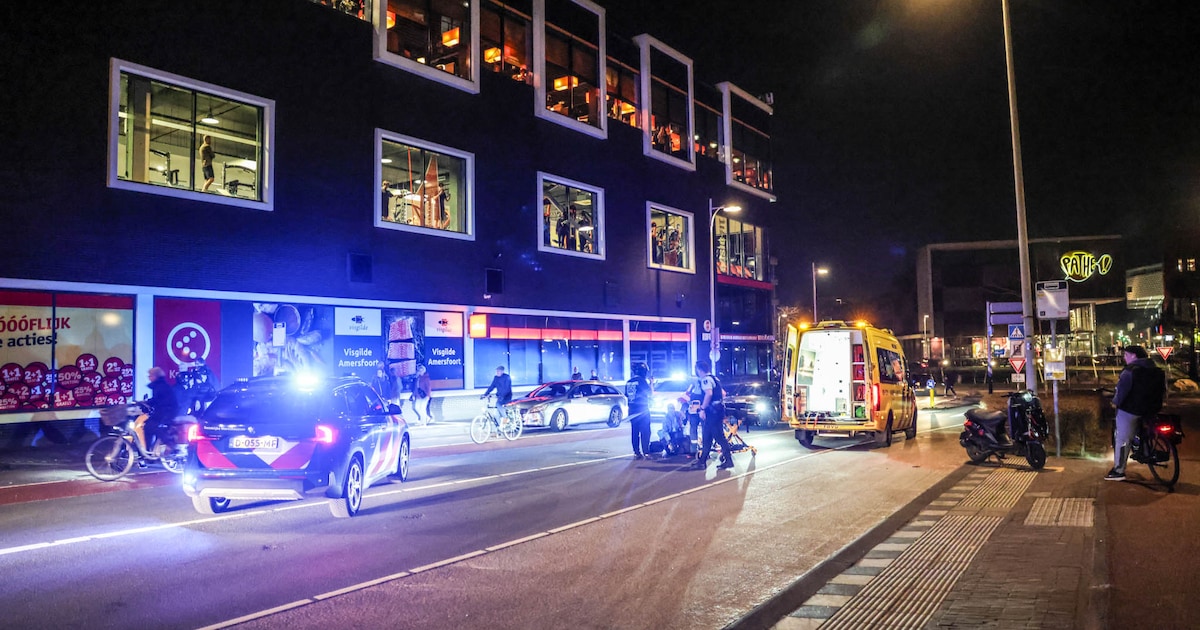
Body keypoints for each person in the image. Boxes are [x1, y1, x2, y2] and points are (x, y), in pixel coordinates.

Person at [1105, 345, 1167, 481]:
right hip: (1152, 408)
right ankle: (1145, 449)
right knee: (1145, 429)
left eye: (1126, 355)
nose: (1124, 358)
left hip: (1132, 409)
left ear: (1133, 355)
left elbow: (1122, 392)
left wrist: (1115, 402)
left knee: (1122, 439)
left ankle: (1118, 470)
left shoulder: (1130, 371)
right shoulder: (1156, 370)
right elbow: (1163, 390)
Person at [690, 360, 733, 470]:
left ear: (699, 370)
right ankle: (702, 461)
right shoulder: (715, 378)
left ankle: (728, 460)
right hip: (717, 410)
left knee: (718, 436)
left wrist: (703, 408)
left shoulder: (705, 380)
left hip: (712, 412)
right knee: (707, 436)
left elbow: (709, 394)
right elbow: (723, 393)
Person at [146, 366, 181, 455]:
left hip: (166, 412)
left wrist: (147, 403)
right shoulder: (161, 385)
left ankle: (169, 443)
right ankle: (150, 451)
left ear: (155, 376)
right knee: (150, 426)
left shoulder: (160, 386)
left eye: (150, 375)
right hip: (167, 411)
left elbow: (158, 400)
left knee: (151, 427)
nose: (149, 377)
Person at [625, 363, 654, 459]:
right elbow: (650, 393)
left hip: (632, 411)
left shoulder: (629, 382)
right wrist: (651, 383)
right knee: (645, 432)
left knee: (635, 432)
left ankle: (636, 452)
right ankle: (646, 452)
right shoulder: (642, 381)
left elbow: (626, 395)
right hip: (642, 410)